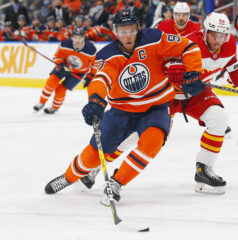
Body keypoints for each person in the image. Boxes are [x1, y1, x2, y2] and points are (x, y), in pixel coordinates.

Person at [44, 10, 203, 203]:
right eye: (122, 31)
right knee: (95, 154)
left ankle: (116, 183)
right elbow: (101, 80)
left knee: (153, 142)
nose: (127, 35)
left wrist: (194, 72)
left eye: (131, 30)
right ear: (115, 31)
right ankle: (68, 177)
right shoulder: (107, 55)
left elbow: (189, 47)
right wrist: (95, 100)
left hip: (157, 106)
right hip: (122, 111)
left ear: (137, 29)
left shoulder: (154, 38)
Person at [164, 12, 238, 194]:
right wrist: (181, 79)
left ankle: (204, 169)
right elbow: (163, 64)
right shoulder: (188, 43)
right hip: (167, 93)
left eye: (222, 35)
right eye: (214, 34)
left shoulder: (228, 44)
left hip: (196, 94)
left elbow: (231, 61)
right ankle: (97, 164)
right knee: (142, 135)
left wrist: (236, 76)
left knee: (219, 119)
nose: (218, 40)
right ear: (205, 32)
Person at [33, 28, 97, 114]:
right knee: (51, 81)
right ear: (72, 37)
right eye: (75, 37)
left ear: (83, 38)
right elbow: (57, 56)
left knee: (61, 89)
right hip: (64, 66)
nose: (77, 40)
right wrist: (60, 62)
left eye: (80, 37)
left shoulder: (91, 49)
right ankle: (41, 102)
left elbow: (95, 65)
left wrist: (90, 76)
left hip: (79, 72)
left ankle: (54, 107)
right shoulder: (65, 44)